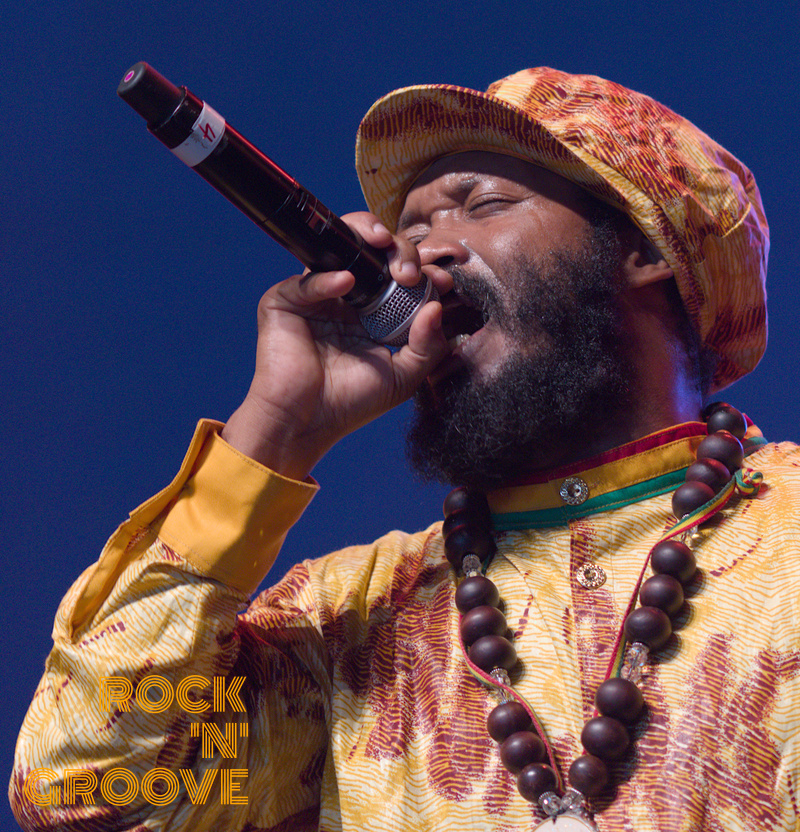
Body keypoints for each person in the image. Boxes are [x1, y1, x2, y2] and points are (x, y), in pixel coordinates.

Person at [10, 67, 799, 832]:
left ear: (646, 246)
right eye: (413, 229)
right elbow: (83, 793)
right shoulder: (342, 622)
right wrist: (276, 433)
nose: (426, 256)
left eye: (482, 205)